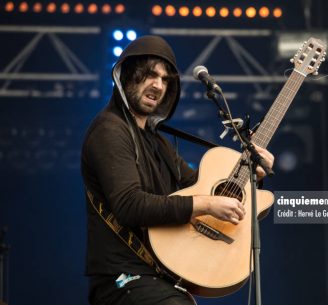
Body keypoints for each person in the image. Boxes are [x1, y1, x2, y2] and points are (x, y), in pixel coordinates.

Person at [81, 35, 274, 305]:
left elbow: (202, 187)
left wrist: (252, 176)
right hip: (124, 277)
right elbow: (130, 206)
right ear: (126, 75)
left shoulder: (156, 140)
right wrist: (206, 203)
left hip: (158, 277)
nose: (158, 85)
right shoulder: (110, 131)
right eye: (149, 75)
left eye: (165, 80)